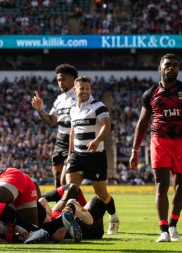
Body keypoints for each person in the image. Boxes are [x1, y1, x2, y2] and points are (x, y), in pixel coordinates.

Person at [129, 53, 182, 242]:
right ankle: (163, 229)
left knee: (180, 186)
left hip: (181, 142)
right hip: (159, 141)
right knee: (162, 185)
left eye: (175, 65)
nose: (172, 68)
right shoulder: (151, 93)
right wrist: (134, 150)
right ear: (160, 69)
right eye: (167, 65)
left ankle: (173, 225)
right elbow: (142, 123)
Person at [66, 76, 120, 235]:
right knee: (71, 188)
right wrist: (70, 154)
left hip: (95, 155)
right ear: (75, 90)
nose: (84, 91)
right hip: (77, 154)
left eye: (87, 88)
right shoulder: (73, 109)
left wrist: (96, 141)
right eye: (81, 88)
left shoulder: (98, 106)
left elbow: (107, 126)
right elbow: (73, 132)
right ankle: (69, 218)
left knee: (101, 193)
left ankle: (114, 218)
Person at [31, 64, 78, 188]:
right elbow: (52, 122)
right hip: (60, 140)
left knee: (67, 181)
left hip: (75, 140)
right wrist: (40, 110)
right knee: (57, 180)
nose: (60, 83)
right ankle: (61, 207)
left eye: (63, 79)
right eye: (58, 80)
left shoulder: (81, 97)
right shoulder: (60, 99)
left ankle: (73, 205)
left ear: (73, 79)